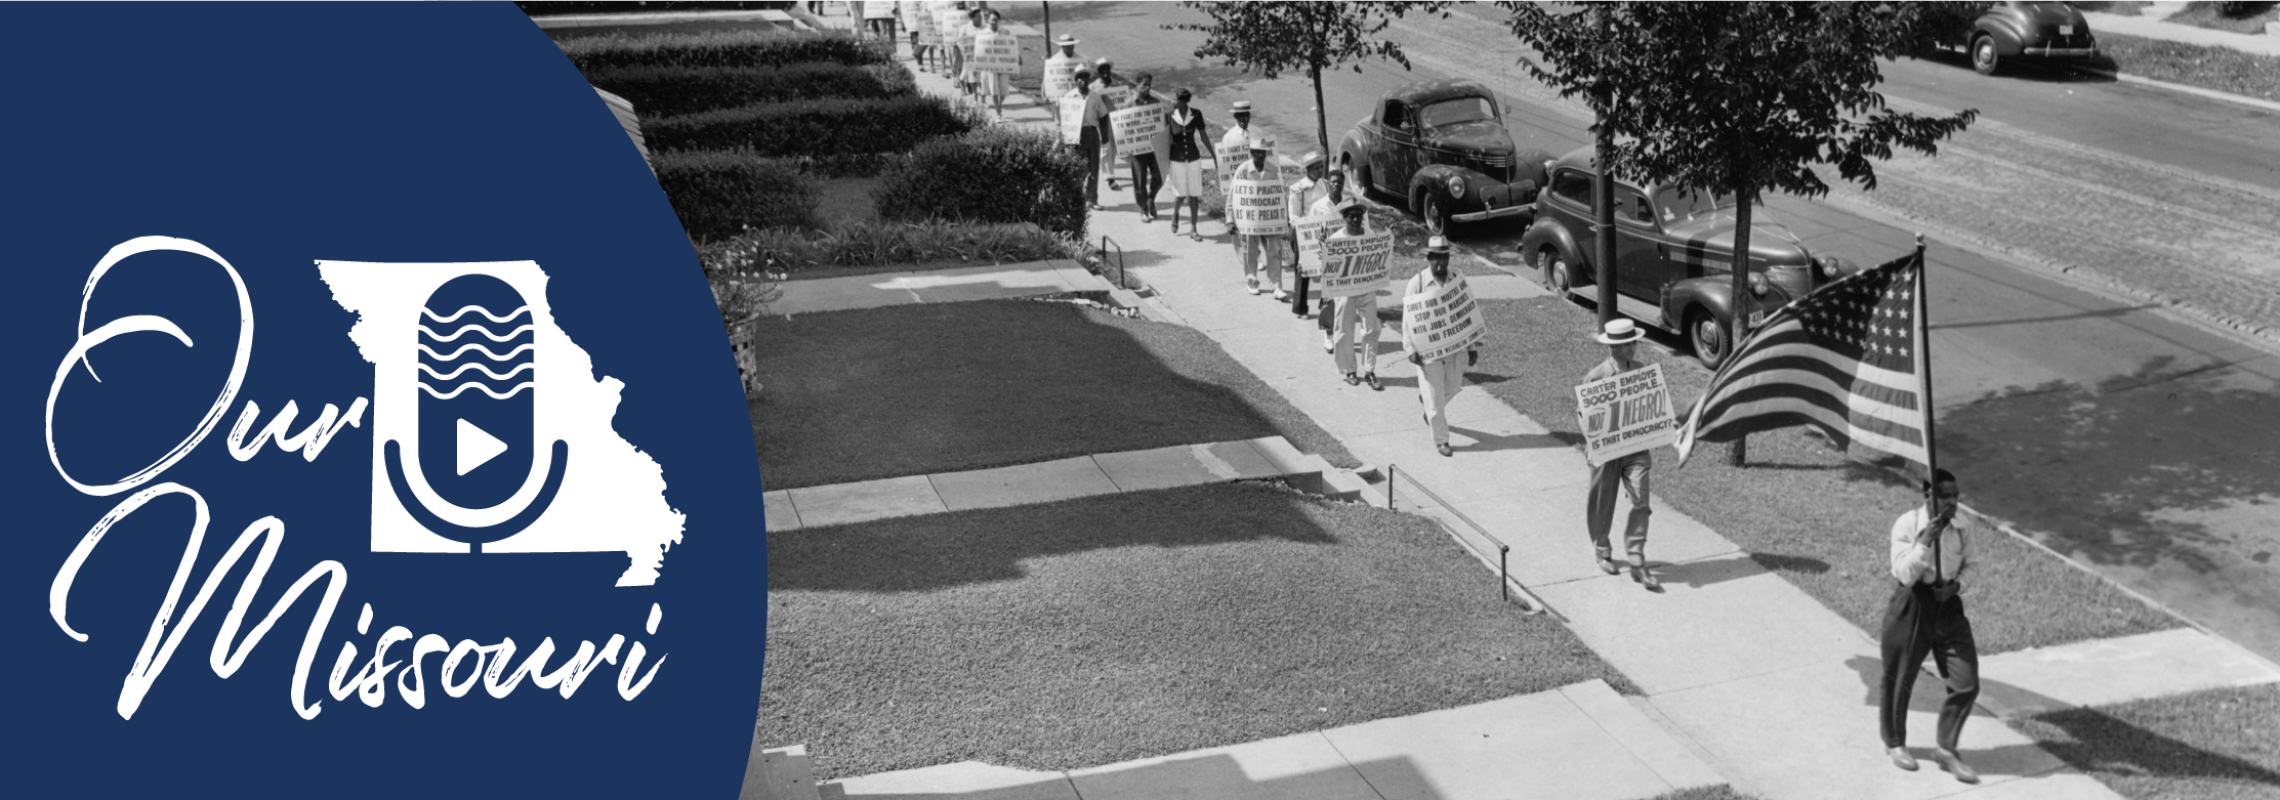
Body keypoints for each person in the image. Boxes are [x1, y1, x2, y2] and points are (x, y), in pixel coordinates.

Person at [1878, 469, 1981, 784]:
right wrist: (1924, 542)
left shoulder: (1962, 527)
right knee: (1901, 677)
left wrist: (1957, 587)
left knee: (1966, 682)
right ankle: (1895, 742)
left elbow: (1973, 565)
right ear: (1928, 496)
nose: (1952, 502)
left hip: (1948, 606)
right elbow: (1904, 575)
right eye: (1945, 496)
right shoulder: (1907, 524)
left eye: (1956, 496)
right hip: (1913, 604)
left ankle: (1946, 748)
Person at [1582, 318, 1658, 591]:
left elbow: (1652, 405)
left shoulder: (1642, 370)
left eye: (1634, 342)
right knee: (1603, 502)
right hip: (1608, 452)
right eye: (1627, 344)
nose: (1633, 348)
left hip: (1636, 450)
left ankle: (1637, 559)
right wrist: (1594, 447)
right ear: (1613, 348)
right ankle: (1602, 549)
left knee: (1641, 501)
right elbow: (1585, 416)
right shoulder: (1597, 376)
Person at [1402, 236, 1477, 457]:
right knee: (1435, 399)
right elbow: (1408, 318)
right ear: (1428, 258)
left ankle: (1428, 404)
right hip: (1428, 351)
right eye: (1436, 258)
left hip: (1454, 349)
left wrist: (1471, 348)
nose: (1440, 263)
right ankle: (1441, 440)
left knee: (1453, 387)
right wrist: (1409, 348)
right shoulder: (1417, 283)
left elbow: (1465, 314)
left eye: (1444, 257)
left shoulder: (1456, 279)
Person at [1324, 197, 1383, 390]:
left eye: (1358, 216)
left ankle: (1370, 371)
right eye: (1351, 217)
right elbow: (1329, 270)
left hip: (1366, 292)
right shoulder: (1335, 240)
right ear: (1344, 218)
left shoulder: (1370, 236)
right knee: (1344, 331)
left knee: (1371, 330)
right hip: (1345, 293)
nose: (1355, 220)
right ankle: (1350, 370)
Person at [1230, 135, 1287, 298]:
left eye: (1263, 152)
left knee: (1274, 249)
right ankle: (1252, 281)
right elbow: (1233, 196)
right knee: (1250, 251)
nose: (1260, 156)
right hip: (1249, 220)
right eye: (1257, 152)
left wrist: (1283, 217)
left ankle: (1277, 285)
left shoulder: (1273, 170)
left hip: (1269, 219)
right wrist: (1230, 219)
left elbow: (1279, 194)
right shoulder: (1242, 170)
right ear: (1252, 152)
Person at [1286, 151, 1334, 323]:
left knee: (1327, 267)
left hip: (1322, 231)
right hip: (1303, 233)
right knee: (1303, 268)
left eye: (1321, 167)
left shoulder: (1326, 185)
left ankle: (1326, 303)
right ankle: (1300, 306)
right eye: (1316, 168)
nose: (1320, 170)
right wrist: (1309, 225)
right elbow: (1293, 216)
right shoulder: (1298, 188)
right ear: (1308, 169)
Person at [1162, 88, 1212, 240]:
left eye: (1175, 99)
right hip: (1176, 160)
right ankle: (1175, 213)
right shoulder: (1168, 116)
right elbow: (1164, 140)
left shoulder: (1196, 114)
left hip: (1193, 159)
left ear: (1183, 101)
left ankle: (1193, 228)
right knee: (1180, 195)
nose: (1172, 102)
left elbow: (1203, 136)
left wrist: (1214, 154)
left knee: (1194, 195)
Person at [1306, 171, 1350, 348]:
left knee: (1345, 299)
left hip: (1347, 259)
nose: (1336, 185)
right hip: (1327, 259)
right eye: (1333, 182)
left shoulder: (1349, 204)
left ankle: (1341, 331)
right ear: (1328, 184)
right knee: (1329, 298)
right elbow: (1309, 233)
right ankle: (1329, 333)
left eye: (1339, 182)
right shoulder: (1318, 206)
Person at [1124, 72, 1165, 221]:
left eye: (1149, 85)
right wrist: (1125, 149)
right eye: (1144, 85)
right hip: (1137, 149)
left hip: (1154, 148)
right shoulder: (1128, 104)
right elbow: (1122, 128)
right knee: (1140, 181)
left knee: (1160, 175)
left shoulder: (1155, 102)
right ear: (1137, 85)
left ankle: (1151, 199)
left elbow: (1161, 124)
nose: (1147, 88)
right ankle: (1143, 209)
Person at [1078, 68, 1116, 210]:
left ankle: (1092, 199)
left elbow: (1103, 115)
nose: (1083, 81)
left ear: (1089, 80)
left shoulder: (1095, 96)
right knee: (1077, 167)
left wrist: (1105, 138)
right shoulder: (1069, 97)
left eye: (1086, 78)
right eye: (1080, 78)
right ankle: (1077, 198)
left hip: (1092, 133)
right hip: (1076, 134)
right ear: (1075, 81)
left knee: (1093, 168)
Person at [1219, 100, 1256, 239]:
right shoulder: (1229, 137)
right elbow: (1226, 165)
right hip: (1239, 182)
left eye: (1246, 115)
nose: (1244, 119)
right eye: (1240, 116)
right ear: (1235, 117)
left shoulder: (1257, 132)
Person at [973, 10, 1017, 118]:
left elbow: (1011, 47)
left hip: (1003, 65)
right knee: (994, 89)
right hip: (990, 65)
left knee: (1004, 90)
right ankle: (998, 112)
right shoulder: (982, 34)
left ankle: (999, 104)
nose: (993, 22)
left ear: (999, 21)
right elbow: (978, 50)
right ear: (988, 21)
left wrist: (1016, 58)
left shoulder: (1005, 32)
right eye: (992, 20)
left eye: (995, 20)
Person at [1093, 58, 1126, 191]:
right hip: (1102, 120)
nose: (1105, 72)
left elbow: (1123, 101)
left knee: (1113, 146)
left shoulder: (1116, 85)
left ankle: (1109, 171)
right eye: (1102, 70)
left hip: (1115, 119)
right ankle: (1110, 177)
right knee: (1105, 147)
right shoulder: (1094, 87)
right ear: (1099, 72)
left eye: (1107, 69)